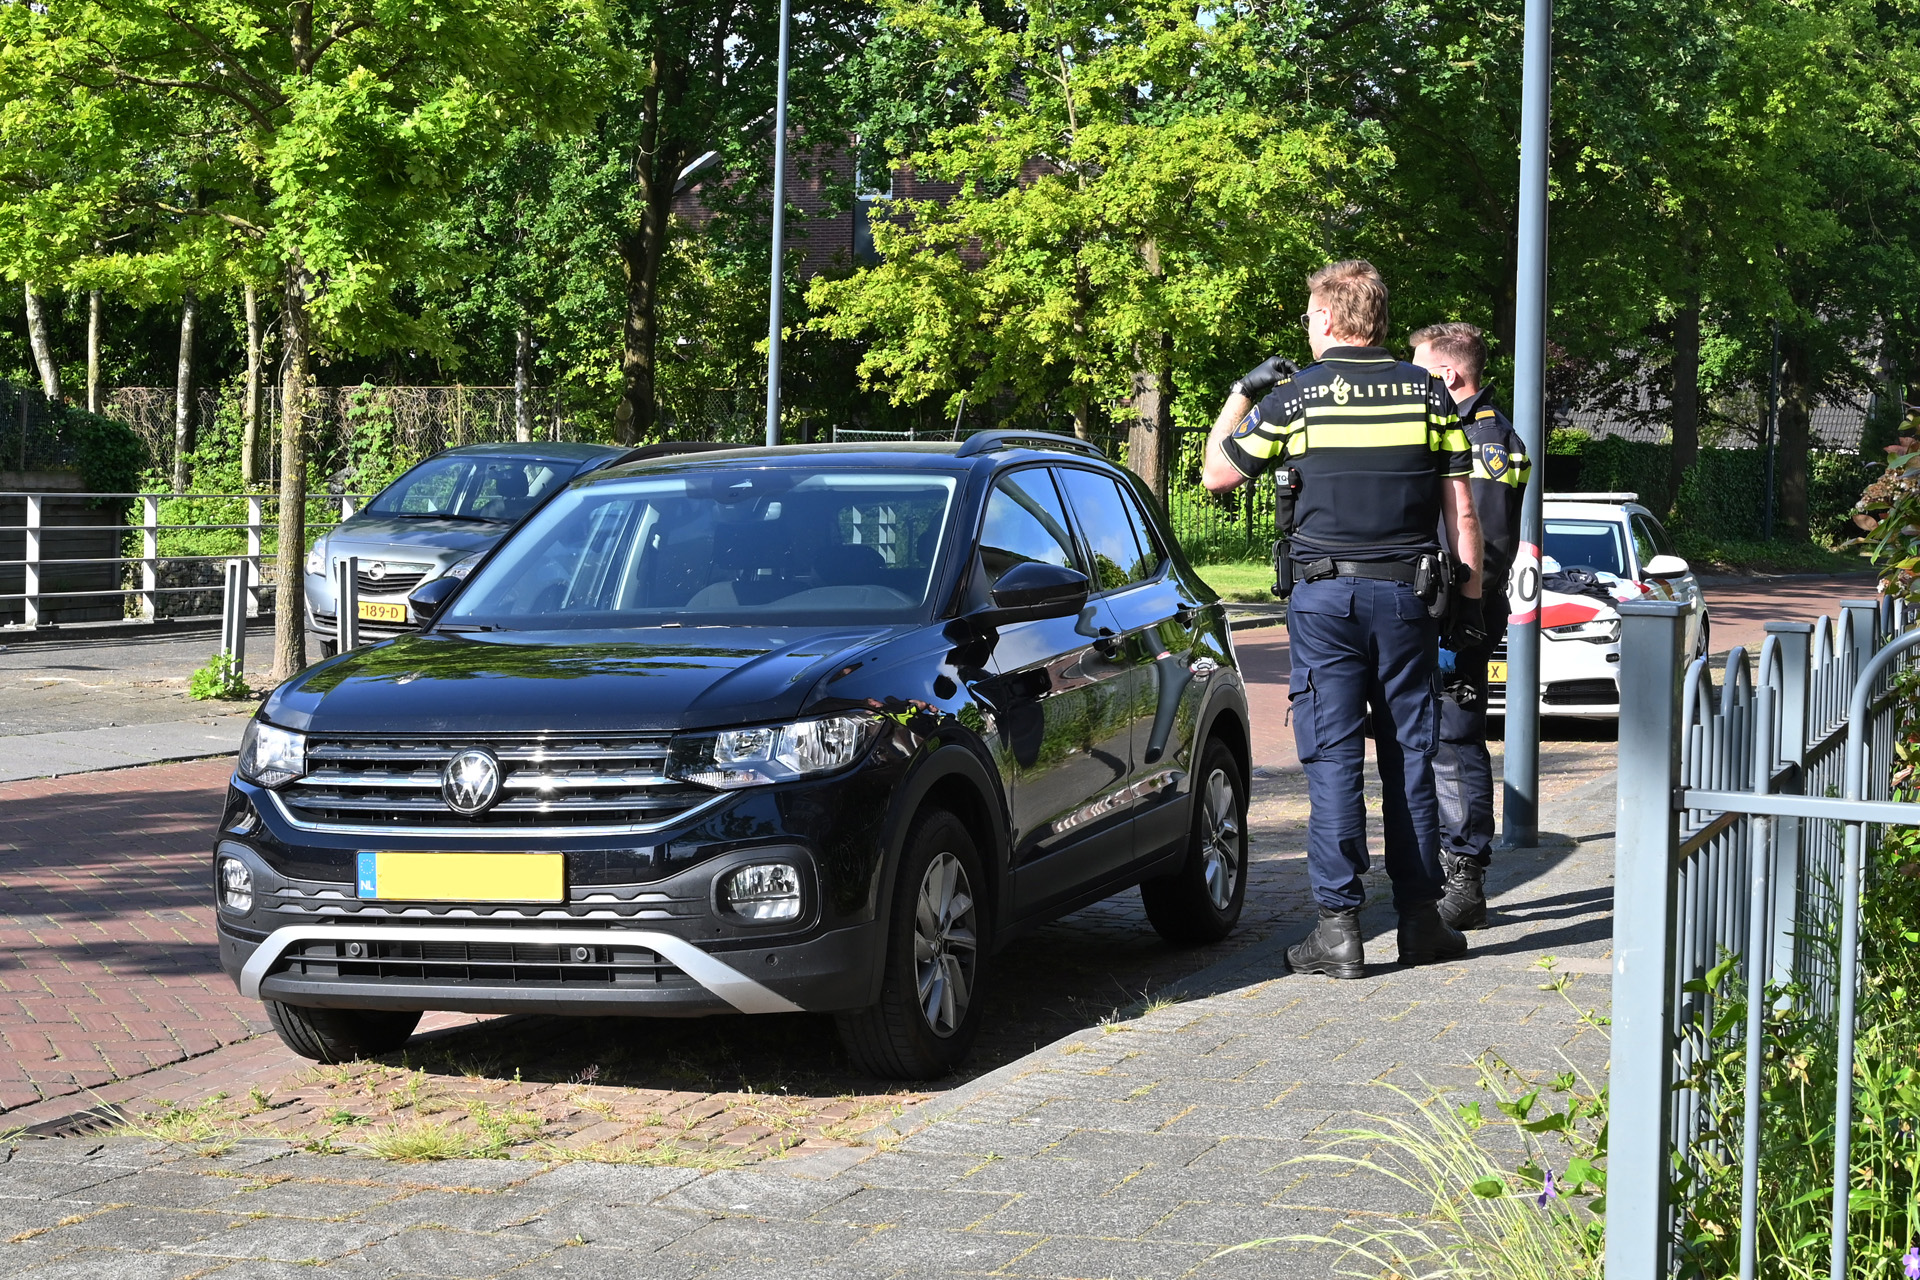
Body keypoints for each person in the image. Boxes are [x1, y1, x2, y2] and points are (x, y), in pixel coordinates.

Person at [1201, 260, 1483, 978]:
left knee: (1331, 760)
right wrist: (1472, 605)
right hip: (1407, 600)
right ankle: (1420, 924)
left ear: (1328, 320)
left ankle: (1339, 931)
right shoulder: (1426, 394)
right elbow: (1462, 510)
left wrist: (1241, 393)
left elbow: (1218, 474)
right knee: (1408, 759)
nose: (1306, 324)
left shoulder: (1297, 398)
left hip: (1324, 601)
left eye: (1307, 314)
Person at [1409, 323, 1530, 930]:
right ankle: (1438, 867)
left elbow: (1474, 542)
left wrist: (1459, 623)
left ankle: (1465, 877)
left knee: (1455, 743)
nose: (1411, 378)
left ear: (1450, 376)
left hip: (1459, 616)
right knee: (1433, 741)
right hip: (1442, 613)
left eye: (1420, 367)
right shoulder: (1469, 433)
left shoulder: (1483, 440)